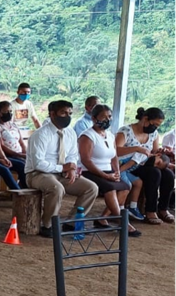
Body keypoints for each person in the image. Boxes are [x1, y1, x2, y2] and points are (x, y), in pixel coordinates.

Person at [25, 100, 99, 238]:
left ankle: (71, 222)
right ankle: (48, 225)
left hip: (62, 172)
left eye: (70, 113)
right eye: (63, 113)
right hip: (37, 174)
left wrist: (71, 168)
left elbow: (73, 154)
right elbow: (38, 163)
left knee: (91, 188)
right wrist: (63, 167)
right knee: (56, 188)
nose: (67, 116)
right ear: (52, 114)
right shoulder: (41, 134)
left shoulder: (70, 132)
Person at [78, 104, 140, 236]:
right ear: (94, 118)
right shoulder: (87, 136)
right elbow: (86, 160)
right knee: (110, 187)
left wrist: (116, 171)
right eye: (104, 117)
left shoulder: (110, 135)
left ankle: (103, 218)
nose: (108, 120)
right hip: (89, 171)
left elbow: (114, 156)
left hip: (107, 171)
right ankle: (122, 221)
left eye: (110, 116)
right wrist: (105, 176)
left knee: (125, 186)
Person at [116, 107, 175, 224]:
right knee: (154, 173)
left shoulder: (154, 133)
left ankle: (163, 208)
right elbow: (116, 151)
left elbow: (153, 152)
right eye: (155, 124)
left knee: (168, 174)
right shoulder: (126, 131)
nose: (156, 128)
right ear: (145, 119)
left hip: (145, 163)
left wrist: (161, 151)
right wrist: (137, 148)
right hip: (129, 165)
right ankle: (150, 210)